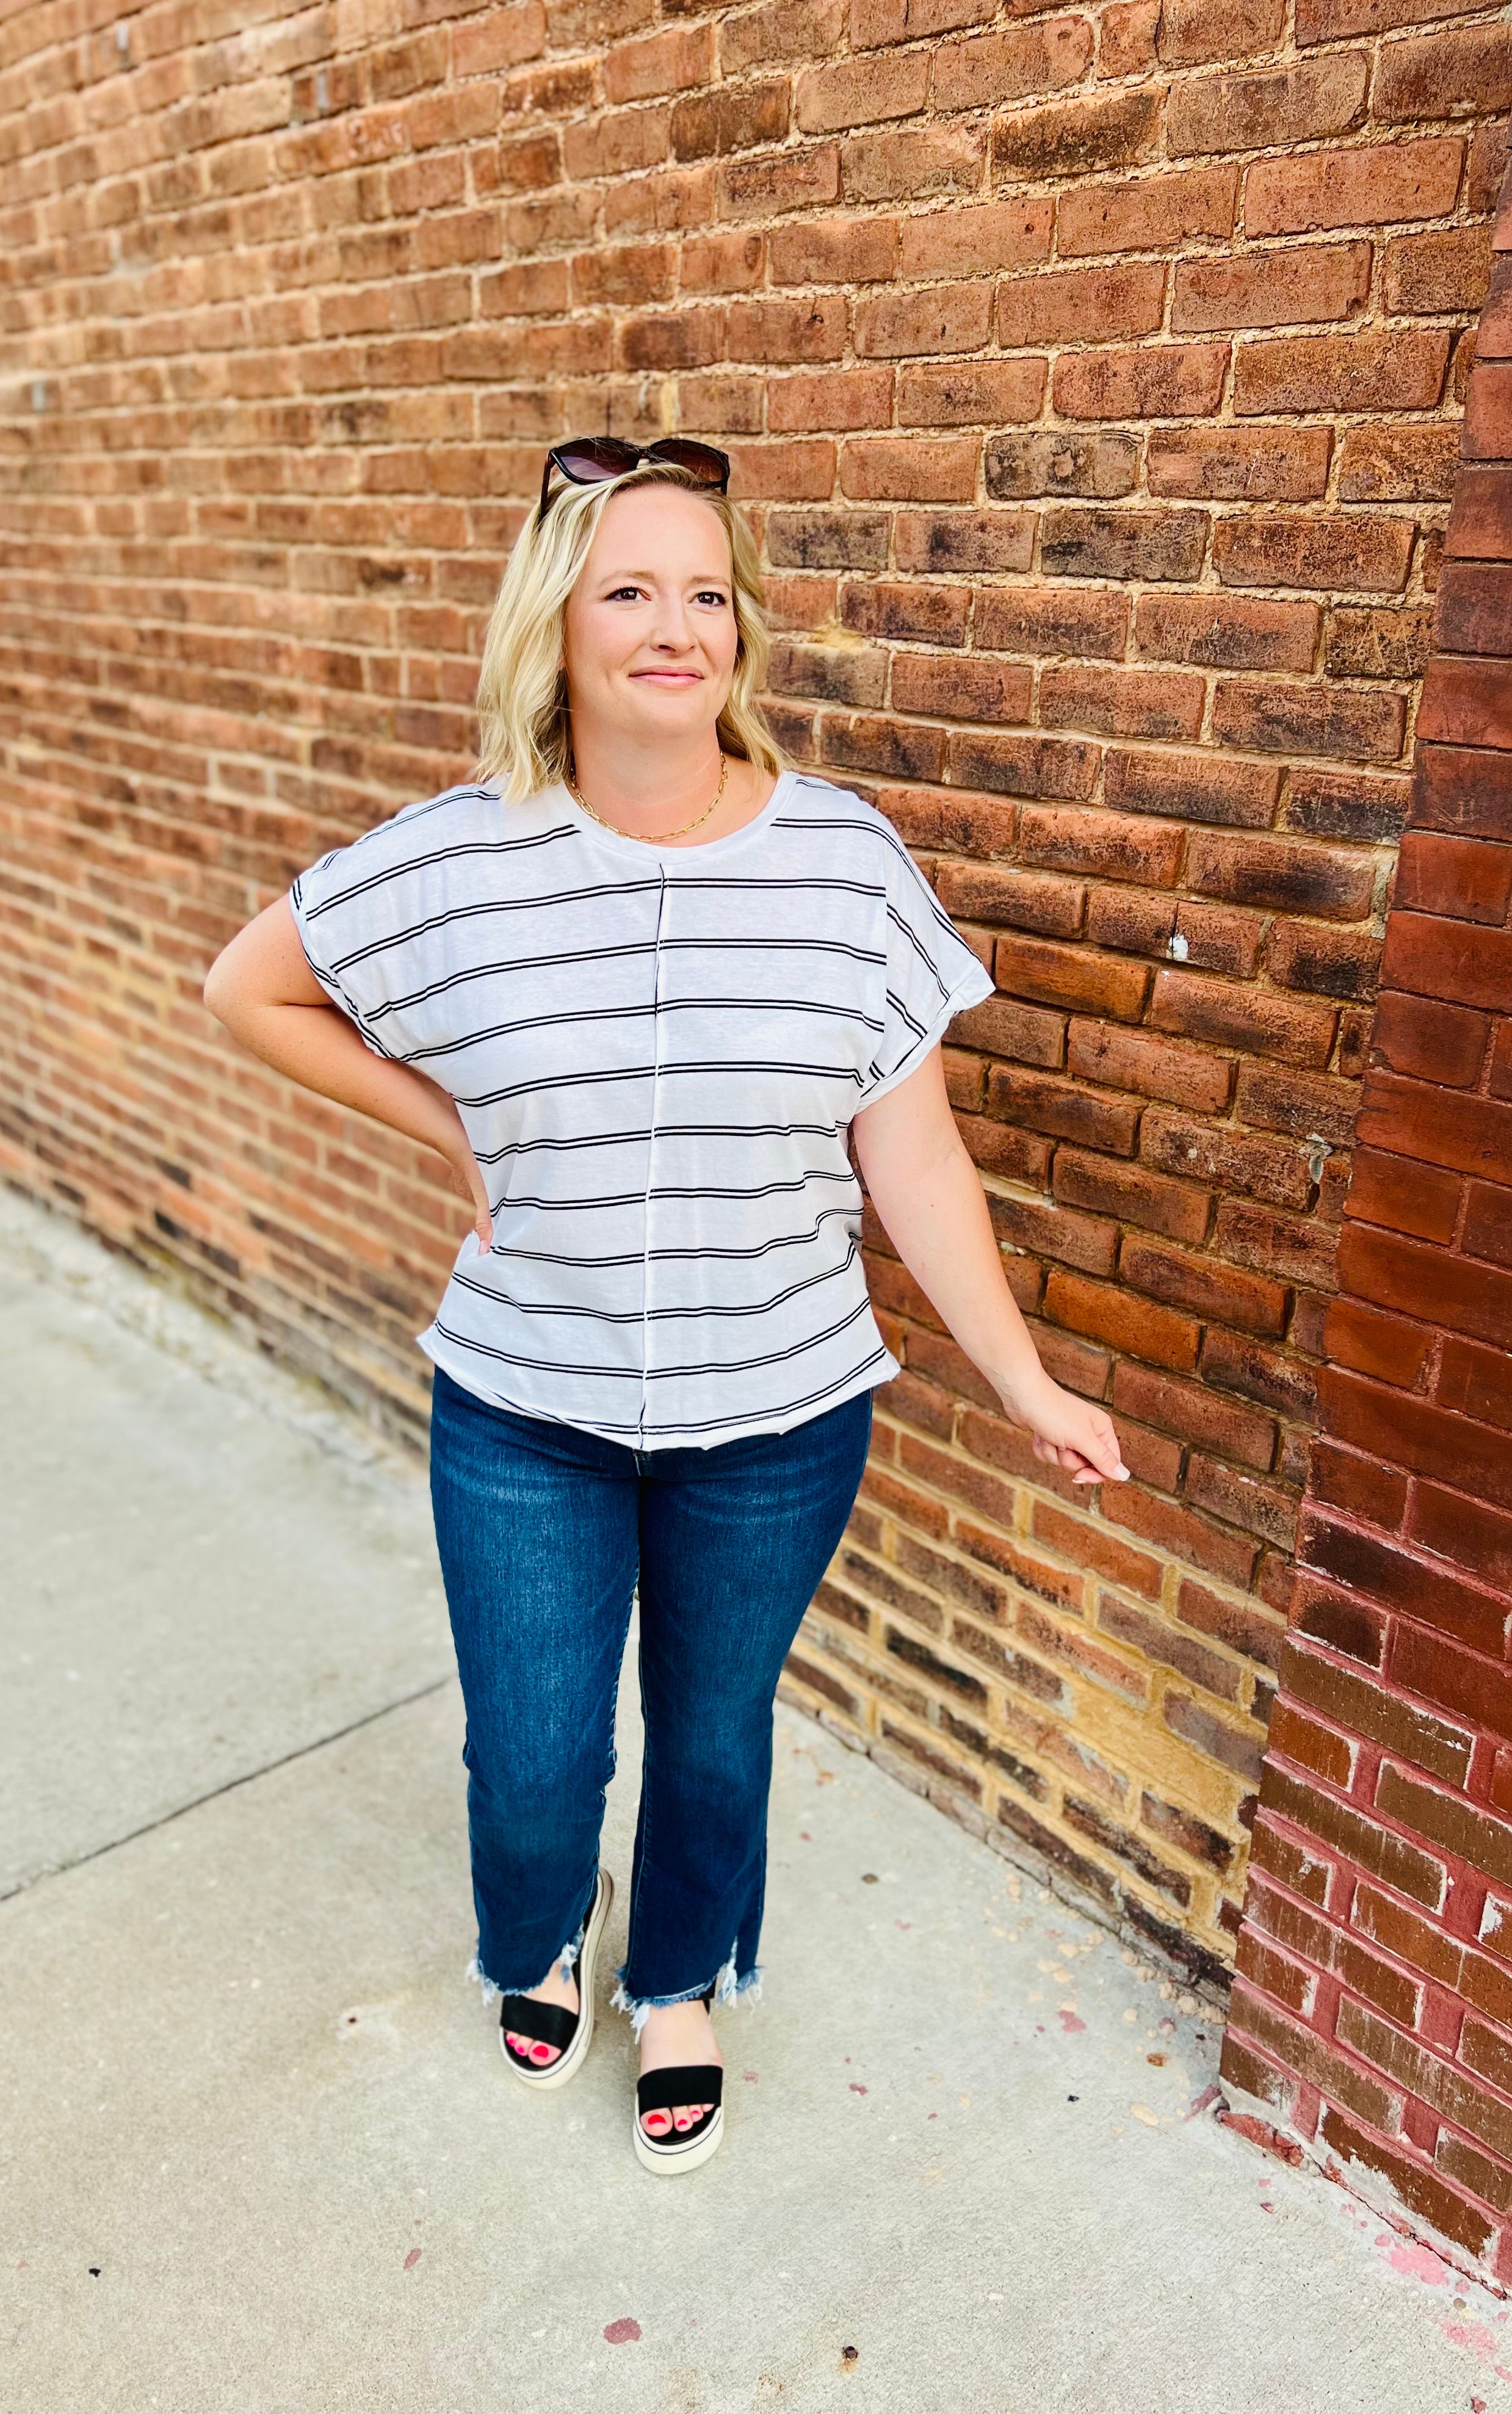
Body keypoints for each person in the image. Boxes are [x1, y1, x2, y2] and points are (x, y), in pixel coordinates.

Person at [204, 434, 1129, 2176]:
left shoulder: (844, 865)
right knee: (537, 1751)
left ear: (741, 633)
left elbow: (911, 1153)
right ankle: (545, 1926)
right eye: (629, 589)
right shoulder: (455, 859)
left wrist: (1020, 1376)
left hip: (778, 1415)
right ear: (554, 628)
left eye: (705, 591)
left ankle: (682, 1973)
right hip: (522, 1410)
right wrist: (447, 1120)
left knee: (711, 1735)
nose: (673, 625)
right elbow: (249, 989)